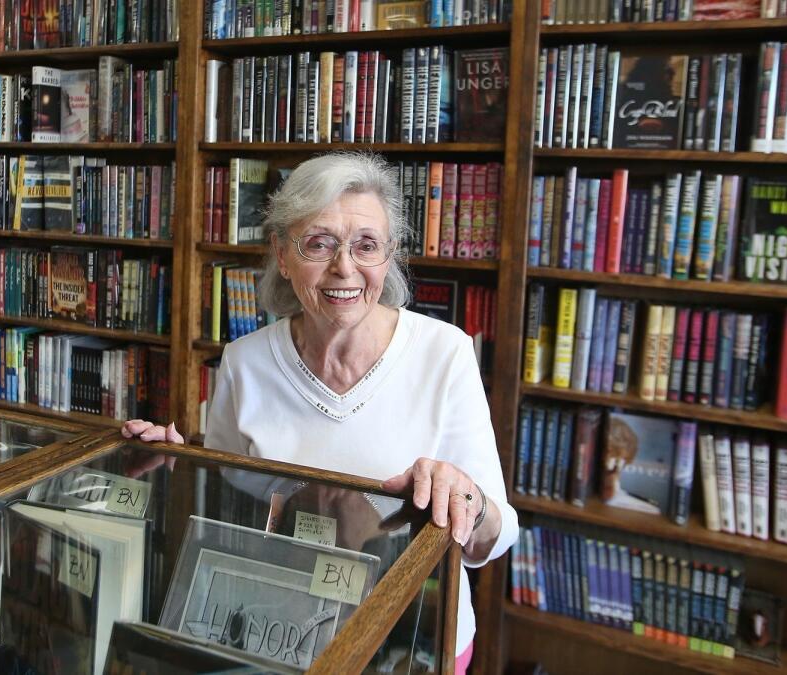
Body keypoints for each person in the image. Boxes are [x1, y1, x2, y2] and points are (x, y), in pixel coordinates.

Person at [123, 152, 517, 673]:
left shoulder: (445, 352)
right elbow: (224, 509)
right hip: (277, 630)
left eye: (366, 246)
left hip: (409, 638)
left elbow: (497, 536)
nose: (344, 267)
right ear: (282, 255)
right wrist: (171, 466)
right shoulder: (245, 362)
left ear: (389, 256)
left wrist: (466, 498)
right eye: (319, 243)